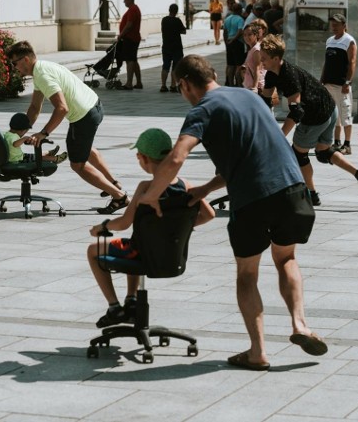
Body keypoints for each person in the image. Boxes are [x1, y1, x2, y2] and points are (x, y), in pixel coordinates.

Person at [136, 54, 327, 371]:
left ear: (184, 84)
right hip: (293, 189)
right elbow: (257, 153)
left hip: (252, 200)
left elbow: (176, 158)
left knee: (247, 274)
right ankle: (299, 324)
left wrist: (151, 197)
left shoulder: (202, 110)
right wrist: (205, 190)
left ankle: (258, 352)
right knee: (287, 259)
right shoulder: (248, 98)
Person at [86, 128, 214, 327]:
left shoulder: (145, 188)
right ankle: (132, 300)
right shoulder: (186, 186)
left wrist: (101, 227)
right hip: (172, 257)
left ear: (143, 158)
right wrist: (182, 225)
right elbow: (209, 214)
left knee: (94, 250)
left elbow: (124, 223)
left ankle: (114, 307)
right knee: (136, 241)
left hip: (141, 253)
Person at [7, 41, 127, 214]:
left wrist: (43, 133)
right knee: (86, 149)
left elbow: (62, 108)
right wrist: (19, 132)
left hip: (84, 116)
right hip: (94, 105)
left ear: (25, 59)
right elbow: (34, 107)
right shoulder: (41, 69)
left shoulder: (42, 75)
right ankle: (114, 183)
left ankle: (119, 196)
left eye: (14, 63)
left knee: (78, 165)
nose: (14, 67)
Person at [259, 35, 358, 207]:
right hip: (329, 108)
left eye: (264, 59)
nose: (261, 61)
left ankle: (311, 195)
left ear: (276, 59)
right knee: (322, 152)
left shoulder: (289, 75)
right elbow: (264, 101)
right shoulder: (271, 74)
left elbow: (296, 112)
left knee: (298, 155)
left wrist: (279, 136)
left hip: (316, 116)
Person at [320, 13, 357, 154]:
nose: (334, 27)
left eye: (336, 24)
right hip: (328, 84)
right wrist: (322, 79)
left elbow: (352, 62)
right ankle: (337, 143)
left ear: (344, 25)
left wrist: (347, 82)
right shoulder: (329, 41)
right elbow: (326, 62)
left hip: (342, 85)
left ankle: (347, 145)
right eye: (332, 24)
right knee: (334, 115)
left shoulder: (349, 41)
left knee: (345, 114)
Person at [116, 0, 143, 89]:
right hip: (134, 37)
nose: (124, 2)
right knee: (134, 60)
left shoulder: (132, 10)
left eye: (125, 0)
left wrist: (121, 35)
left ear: (130, 0)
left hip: (130, 38)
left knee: (129, 60)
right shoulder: (135, 9)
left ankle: (129, 83)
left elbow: (129, 25)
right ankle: (139, 82)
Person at [160, 3, 187, 92]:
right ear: (176, 11)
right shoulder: (177, 21)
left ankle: (163, 86)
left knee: (165, 66)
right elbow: (184, 31)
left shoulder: (164, 20)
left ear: (169, 10)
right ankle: (173, 85)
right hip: (176, 47)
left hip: (166, 46)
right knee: (175, 67)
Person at [223, 3, 245, 86]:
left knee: (230, 65)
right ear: (239, 10)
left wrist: (226, 42)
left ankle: (231, 84)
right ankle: (239, 84)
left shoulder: (227, 19)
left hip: (229, 42)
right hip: (237, 43)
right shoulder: (240, 19)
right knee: (239, 65)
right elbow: (240, 31)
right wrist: (233, 39)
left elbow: (225, 32)